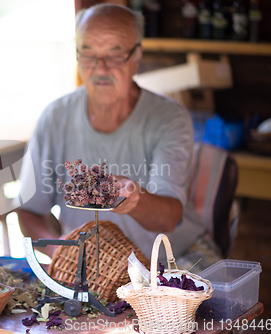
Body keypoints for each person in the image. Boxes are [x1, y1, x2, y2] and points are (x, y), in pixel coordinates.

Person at [16, 4, 210, 262]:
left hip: (170, 260)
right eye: (88, 54)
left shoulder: (169, 118)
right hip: (94, 269)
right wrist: (59, 251)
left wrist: (134, 200)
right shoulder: (55, 117)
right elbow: (28, 211)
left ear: (136, 57)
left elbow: (170, 217)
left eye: (114, 55)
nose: (100, 68)